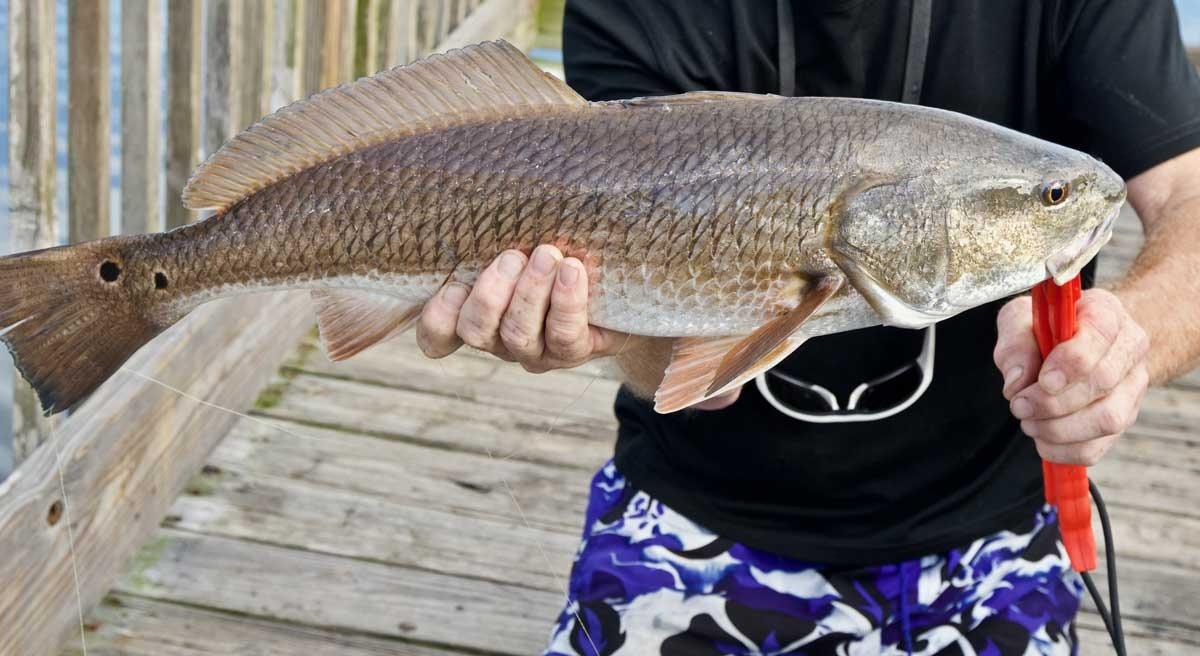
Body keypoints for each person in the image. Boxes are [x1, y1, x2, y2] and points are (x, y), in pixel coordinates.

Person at [415, 1, 1200, 654]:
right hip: (697, 504)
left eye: (1048, 199)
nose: (1067, 204)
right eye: (1047, 198)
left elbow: (1188, 195)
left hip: (987, 525)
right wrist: (613, 332)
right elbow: (677, 374)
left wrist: (1128, 335)